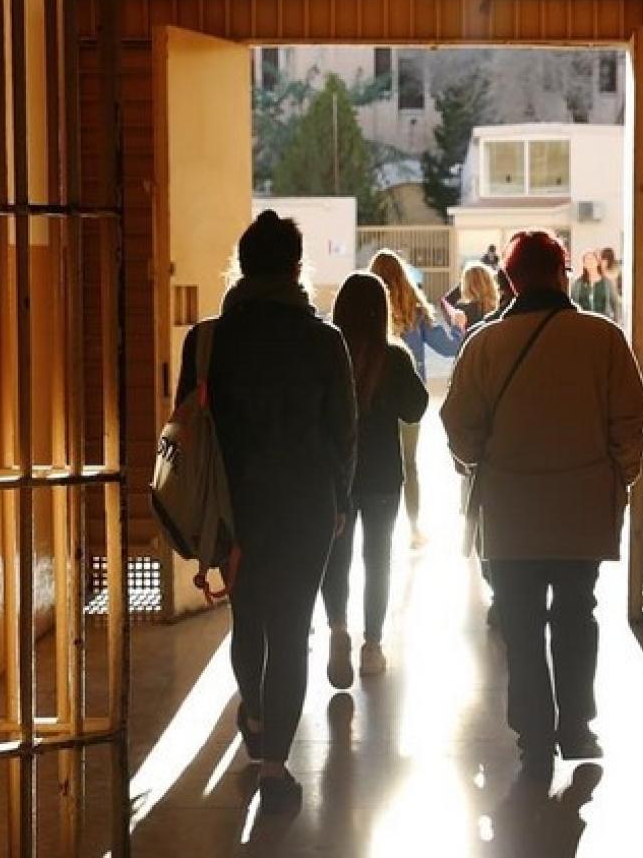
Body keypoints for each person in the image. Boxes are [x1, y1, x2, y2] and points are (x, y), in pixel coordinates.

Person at [441, 229, 643, 778]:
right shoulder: (602, 337)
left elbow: (459, 427)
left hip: (509, 512)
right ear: (563, 273)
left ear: (510, 280)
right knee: (577, 613)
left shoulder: (485, 345)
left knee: (522, 622)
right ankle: (577, 725)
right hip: (582, 507)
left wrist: (480, 466)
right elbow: (632, 422)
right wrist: (618, 479)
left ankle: (534, 734)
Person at [176, 210, 356, 812]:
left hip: (233, 509)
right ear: (296, 267)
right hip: (307, 508)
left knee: (248, 622)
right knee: (291, 632)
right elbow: (343, 434)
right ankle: (276, 767)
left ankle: (253, 715)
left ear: (242, 263)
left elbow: (185, 430)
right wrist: (338, 503)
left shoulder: (207, 340)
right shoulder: (324, 340)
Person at [322, 271, 429, 686]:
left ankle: (336, 629)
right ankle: (371, 646)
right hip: (384, 476)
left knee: (337, 556)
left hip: (337, 477)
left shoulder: (328, 354)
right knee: (378, 559)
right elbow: (416, 409)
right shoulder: (395, 358)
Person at [368, 248, 462, 547]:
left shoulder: (365, 306)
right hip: (409, 398)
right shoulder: (415, 308)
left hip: (371, 396)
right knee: (409, 464)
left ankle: (373, 526)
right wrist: (459, 329)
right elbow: (446, 348)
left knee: (369, 459)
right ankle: (413, 528)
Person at [442, 262, 502, 346]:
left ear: (466, 285)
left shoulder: (462, 311)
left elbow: (446, 302)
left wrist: (468, 281)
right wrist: (482, 279)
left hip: (472, 356)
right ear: (490, 282)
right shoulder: (501, 308)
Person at [570, 250, 618, 321]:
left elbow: (614, 304)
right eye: (587, 260)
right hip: (583, 323)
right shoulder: (577, 284)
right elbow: (573, 303)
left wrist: (615, 321)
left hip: (604, 323)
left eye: (592, 259)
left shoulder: (607, 283)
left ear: (597, 262)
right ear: (584, 265)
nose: (590, 262)